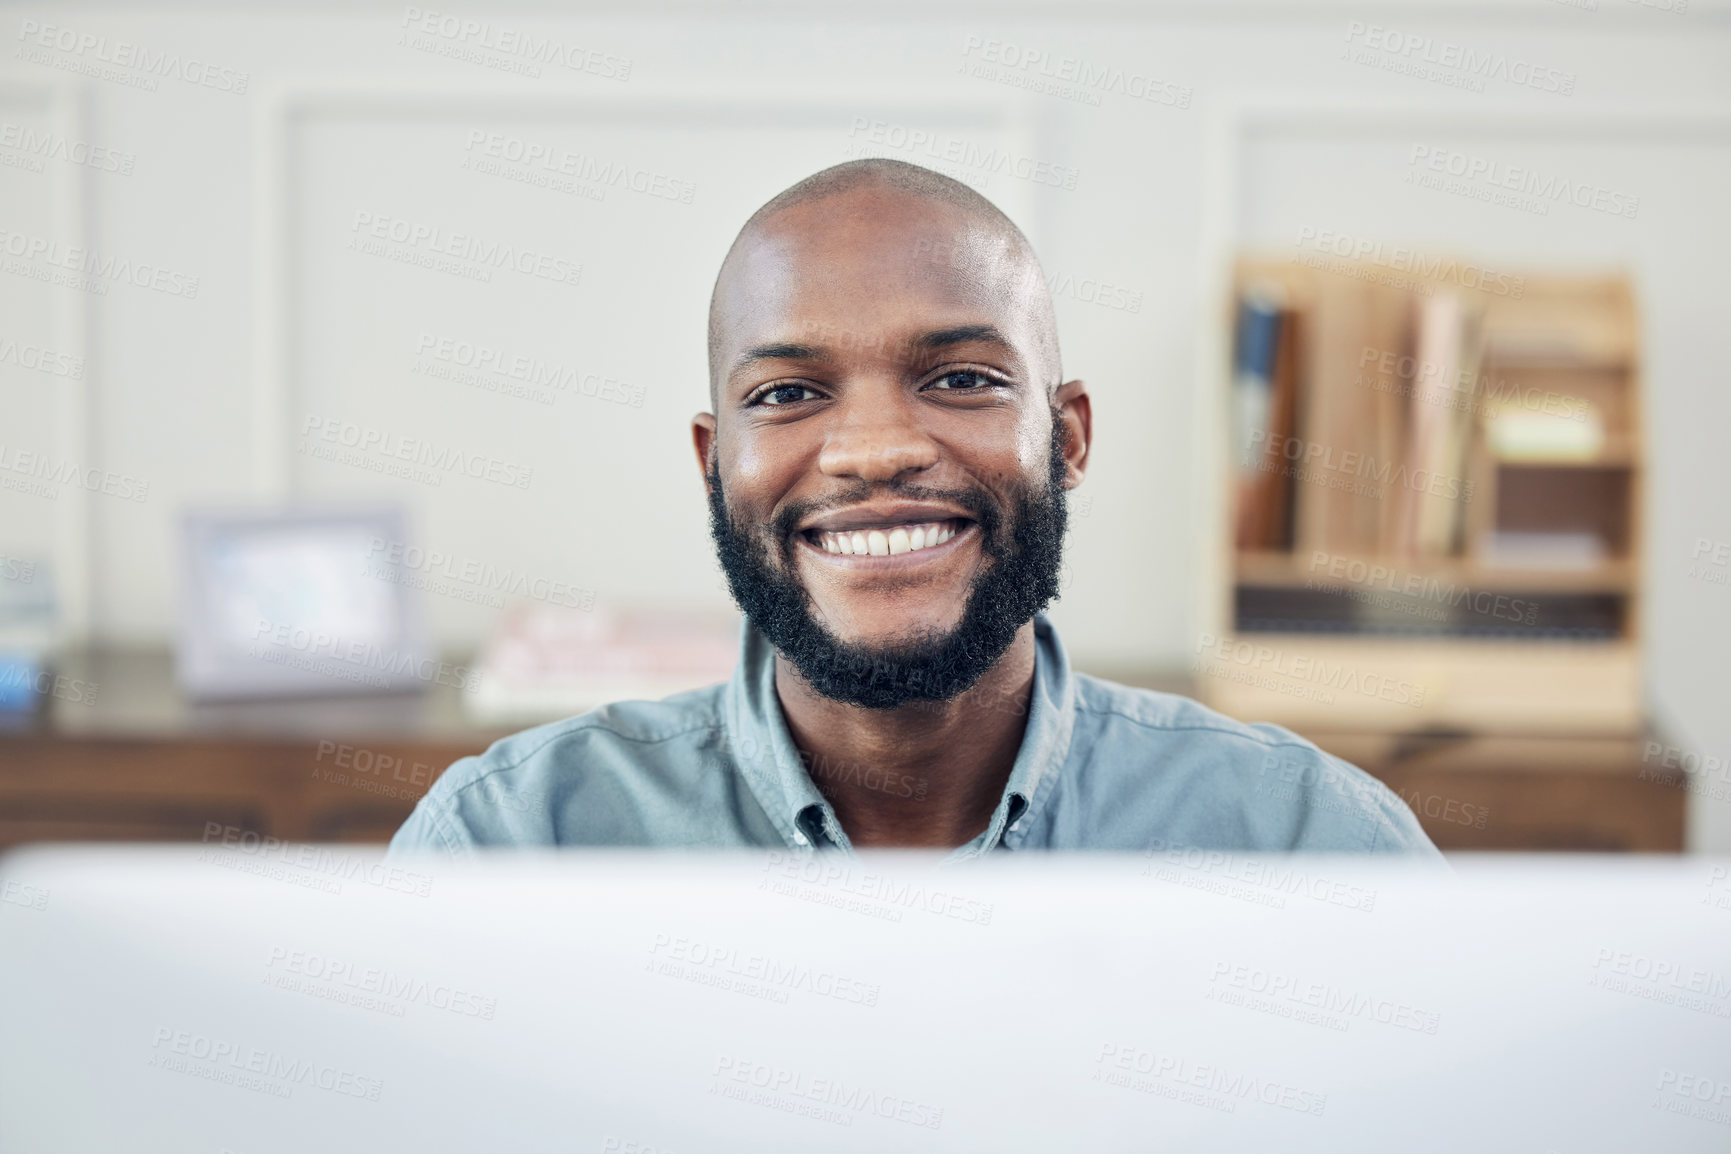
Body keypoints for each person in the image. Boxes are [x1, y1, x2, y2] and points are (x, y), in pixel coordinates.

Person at [388, 158, 1437, 859]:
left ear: (1067, 437)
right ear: (715, 464)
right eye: (788, 393)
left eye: (964, 378)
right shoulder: (512, 843)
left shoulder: (1312, 846)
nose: (879, 449)